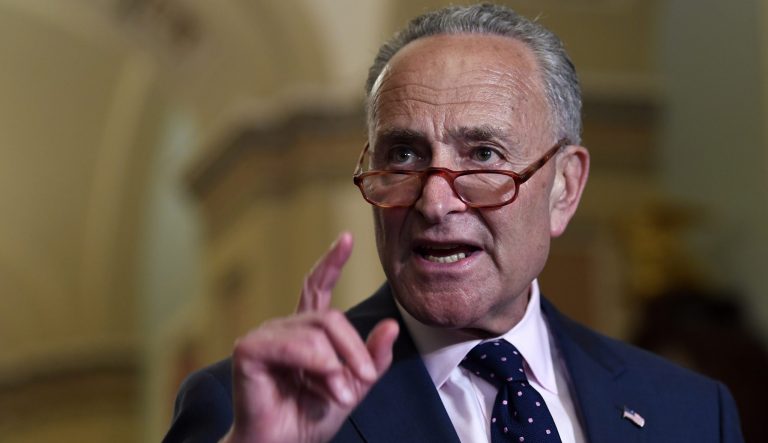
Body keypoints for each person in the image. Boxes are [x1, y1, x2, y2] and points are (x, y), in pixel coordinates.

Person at [164, 4, 744, 443]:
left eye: (484, 156)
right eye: (404, 156)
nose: (436, 204)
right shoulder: (242, 411)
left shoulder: (689, 412)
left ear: (565, 187)